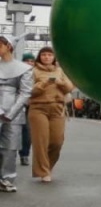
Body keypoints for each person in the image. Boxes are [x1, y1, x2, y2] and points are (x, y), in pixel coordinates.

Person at [27, 46, 73, 183]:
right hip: (38, 108)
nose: (47, 57)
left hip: (57, 109)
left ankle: (48, 166)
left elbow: (69, 87)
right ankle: (43, 171)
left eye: (49, 55)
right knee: (41, 142)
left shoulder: (60, 71)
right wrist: (42, 84)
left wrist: (60, 83)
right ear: (39, 57)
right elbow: (29, 91)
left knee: (57, 141)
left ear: (54, 58)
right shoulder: (32, 71)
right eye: (44, 55)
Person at [0, 34, 34, 192]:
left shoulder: (25, 68)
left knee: (11, 147)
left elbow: (26, 93)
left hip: (14, 111)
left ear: (9, 46)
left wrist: (10, 113)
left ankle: (7, 178)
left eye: (1, 44)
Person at [19, 51, 34, 167]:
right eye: (27, 60)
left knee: (27, 132)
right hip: (17, 106)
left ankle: (24, 155)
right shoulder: (17, 73)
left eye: (31, 61)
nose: (29, 63)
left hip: (31, 106)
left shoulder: (36, 74)